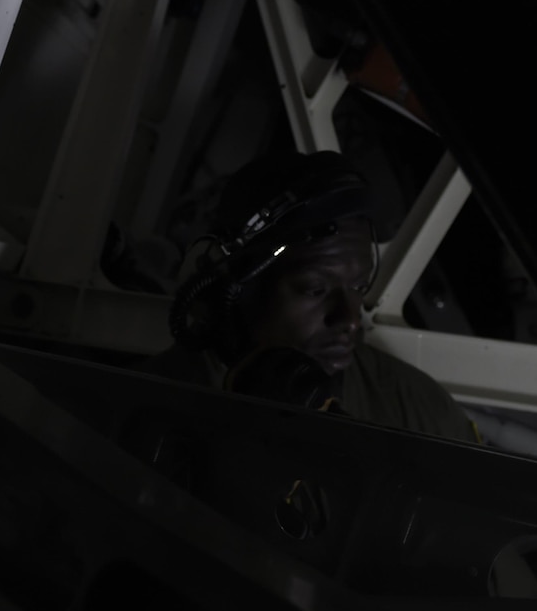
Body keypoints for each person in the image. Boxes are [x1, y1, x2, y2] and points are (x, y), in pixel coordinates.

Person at [145, 150, 478, 443]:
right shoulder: (144, 411)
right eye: (316, 290)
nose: (349, 320)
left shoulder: (422, 413)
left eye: (359, 288)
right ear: (238, 287)